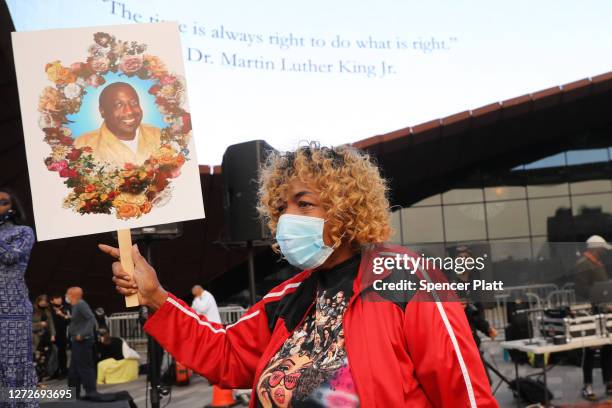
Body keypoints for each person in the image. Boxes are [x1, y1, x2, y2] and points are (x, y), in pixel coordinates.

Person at [100, 143, 498, 407]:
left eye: (304, 203)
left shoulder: (404, 278)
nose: (288, 217)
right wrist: (155, 296)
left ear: (347, 209)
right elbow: (224, 355)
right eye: (282, 206)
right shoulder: (287, 297)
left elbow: (463, 392)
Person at [0, 188, 38, 406]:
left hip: (12, 310)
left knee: (12, 364)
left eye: (3, 202)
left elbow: (10, 256)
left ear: (12, 207)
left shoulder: (23, 232)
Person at [75, 82, 161, 167]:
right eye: (118, 105)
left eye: (134, 103)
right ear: (102, 111)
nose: (129, 111)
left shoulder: (159, 136)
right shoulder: (82, 145)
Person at [574, 235, 612, 401]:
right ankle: (587, 385)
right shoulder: (583, 264)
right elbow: (581, 291)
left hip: (604, 311)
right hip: (590, 312)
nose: (604, 252)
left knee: (608, 347)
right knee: (589, 349)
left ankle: (609, 382)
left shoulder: (598, 264)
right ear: (595, 248)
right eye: (602, 249)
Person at [66, 286, 98, 399]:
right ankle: (73, 393)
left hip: (83, 341)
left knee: (85, 367)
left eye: (68, 294)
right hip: (76, 341)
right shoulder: (75, 306)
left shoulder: (80, 304)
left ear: (73, 295)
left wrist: (83, 334)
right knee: (73, 370)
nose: (66, 296)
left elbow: (91, 318)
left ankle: (91, 391)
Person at [32, 294, 56, 381]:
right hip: (35, 338)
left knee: (44, 359)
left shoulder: (47, 311)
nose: (43, 303)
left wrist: (53, 334)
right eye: (41, 301)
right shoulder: (32, 310)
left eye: (45, 302)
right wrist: (39, 324)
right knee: (36, 359)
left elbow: (51, 324)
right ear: (38, 301)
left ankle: (41, 377)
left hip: (45, 338)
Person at [49, 293, 70, 379]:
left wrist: (61, 314)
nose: (59, 300)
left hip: (62, 334)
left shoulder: (65, 308)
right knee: (53, 354)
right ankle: (54, 371)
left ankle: (64, 371)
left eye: (60, 298)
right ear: (52, 301)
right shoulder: (49, 310)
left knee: (62, 353)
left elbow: (69, 321)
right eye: (56, 298)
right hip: (52, 335)